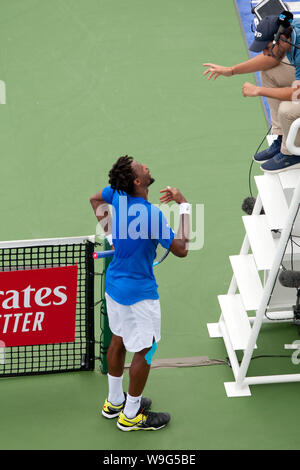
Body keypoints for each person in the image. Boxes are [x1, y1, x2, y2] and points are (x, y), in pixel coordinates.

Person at [90, 155, 190, 431]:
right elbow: (181, 249)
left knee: (119, 339)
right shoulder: (151, 215)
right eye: (141, 167)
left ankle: (114, 402)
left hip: (114, 287)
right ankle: (131, 415)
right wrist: (184, 206)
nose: (146, 166)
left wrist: (112, 235)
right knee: (145, 350)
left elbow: (95, 200)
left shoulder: (117, 195)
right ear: (137, 181)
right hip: (139, 294)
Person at [203, 14, 300, 173]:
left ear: (281, 39)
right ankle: (282, 136)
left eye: (267, 47)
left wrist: (259, 90)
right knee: (268, 73)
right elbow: (271, 59)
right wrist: (231, 70)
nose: (265, 53)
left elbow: (298, 94)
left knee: (287, 110)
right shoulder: (290, 33)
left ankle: (293, 153)